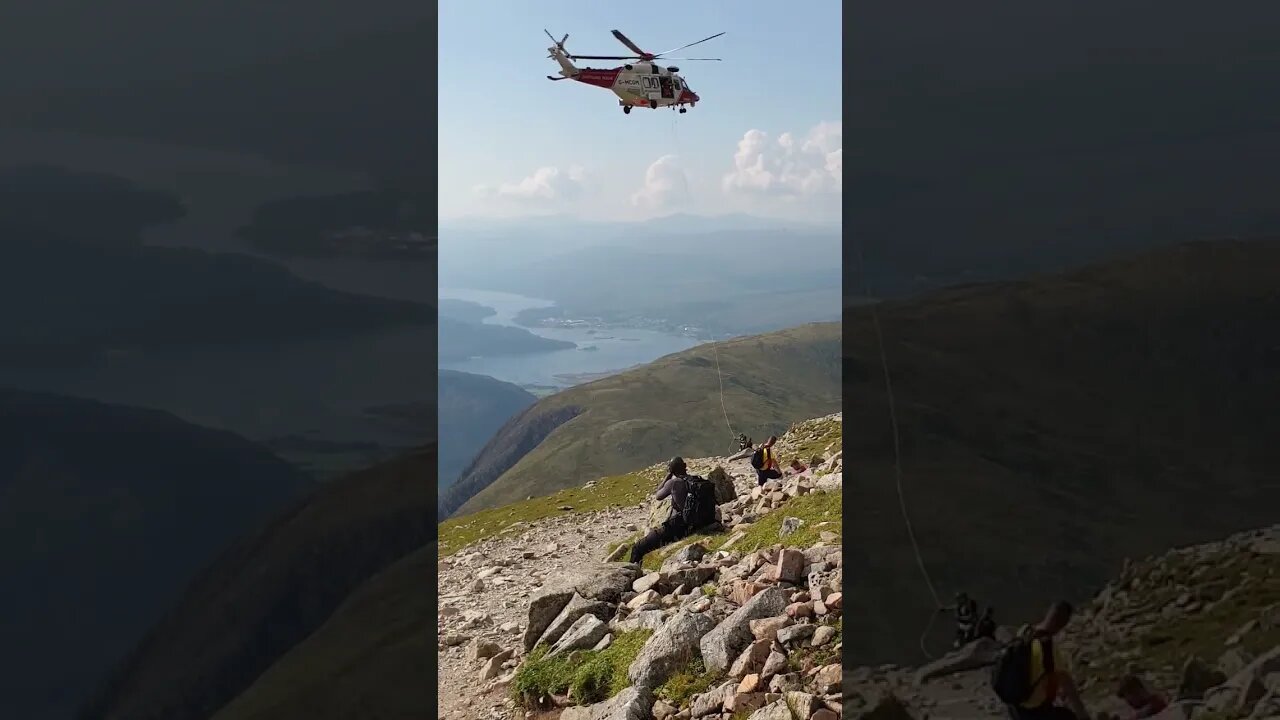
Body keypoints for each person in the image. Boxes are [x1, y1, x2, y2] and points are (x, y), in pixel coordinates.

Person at [1008, 600, 1090, 720]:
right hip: (1033, 712)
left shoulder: (1024, 631)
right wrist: (1083, 715)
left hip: (1014, 706)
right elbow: (1068, 685)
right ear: (1063, 624)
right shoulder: (1049, 649)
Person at [630, 457, 707, 564]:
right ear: (685, 466)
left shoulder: (673, 483)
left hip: (681, 526)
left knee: (638, 547)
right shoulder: (696, 480)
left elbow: (658, 495)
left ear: (671, 469)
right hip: (701, 522)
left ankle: (633, 572)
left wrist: (668, 475)